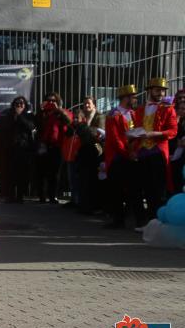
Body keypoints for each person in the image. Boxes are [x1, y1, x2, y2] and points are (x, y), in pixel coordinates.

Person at [132, 77, 178, 228]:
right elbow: (138, 129)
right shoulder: (139, 110)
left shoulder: (168, 108)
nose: (161, 94)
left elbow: (173, 131)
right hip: (142, 152)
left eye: (163, 91)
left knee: (158, 189)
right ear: (150, 91)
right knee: (144, 187)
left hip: (158, 152)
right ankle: (148, 221)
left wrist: (154, 134)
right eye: (157, 90)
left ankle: (157, 221)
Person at [103, 85, 138, 228]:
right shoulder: (114, 114)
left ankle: (130, 216)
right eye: (133, 97)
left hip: (131, 155)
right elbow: (115, 139)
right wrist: (127, 153)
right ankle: (118, 219)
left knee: (132, 188)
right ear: (125, 98)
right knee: (116, 190)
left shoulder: (134, 114)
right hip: (118, 157)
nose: (135, 99)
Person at [35, 92, 73, 204]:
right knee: (41, 172)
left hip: (57, 146)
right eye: (49, 100)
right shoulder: (43, 113)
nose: (51, 102)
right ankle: (42, 196)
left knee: (54, 173)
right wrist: (41, 110)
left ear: (58, 102)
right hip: (43, 146)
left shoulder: (62, 112)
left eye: (53, 100)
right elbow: (35, 124)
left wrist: (59, 110)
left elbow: (69, 121)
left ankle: (52, 196)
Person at [0, 96, 36, 203]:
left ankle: (20, 196)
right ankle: (10, 196)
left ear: (25, 105)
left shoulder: (29, 116)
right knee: (10, 173)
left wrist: (20, 116)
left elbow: (31, 127)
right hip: (11, 149)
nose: (19, 105)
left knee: (22, 173)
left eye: (22, 103)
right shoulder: (9, 115)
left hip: (23, 149)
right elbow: (4, 128)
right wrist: (15, 117)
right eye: (17, 103)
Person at [73, 96, 105, 214]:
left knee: (93, 180)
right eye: (85, 103)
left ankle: (95, 206)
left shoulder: (99, 116)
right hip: (84, 151)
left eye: (89, 103)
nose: (86, 106)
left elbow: (98, 131)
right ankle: (84, 205)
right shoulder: (82, 117)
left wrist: (83, 127)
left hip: (96, 151)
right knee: (83, 179)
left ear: (94, 105)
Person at [169, 100, 185, 194]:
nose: (184, 111)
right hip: (174, 157)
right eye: (182, 109)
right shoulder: (174, 121)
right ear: (177, 110)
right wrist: (176, 143)